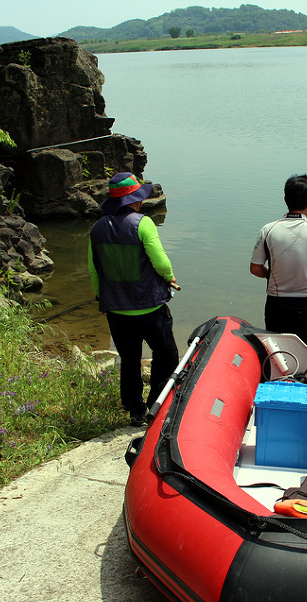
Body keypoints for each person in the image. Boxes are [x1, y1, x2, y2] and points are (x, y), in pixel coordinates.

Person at [89, 172, 179, 427]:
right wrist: (170, 277)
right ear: (134, 200)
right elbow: (160, 261)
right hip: (150, 307)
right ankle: (157, 404)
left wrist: (102, 299)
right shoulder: (143, 223)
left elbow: (94, 268)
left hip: (116, 309)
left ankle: (135, 410)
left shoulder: (97, 228)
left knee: (129, 359)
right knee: (166, 354)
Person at [250, 174, 307, 345]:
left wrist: (272, 275)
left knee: (277, 354)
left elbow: (256, 269)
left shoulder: (268, 230)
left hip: (277, 303)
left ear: (285, 199)